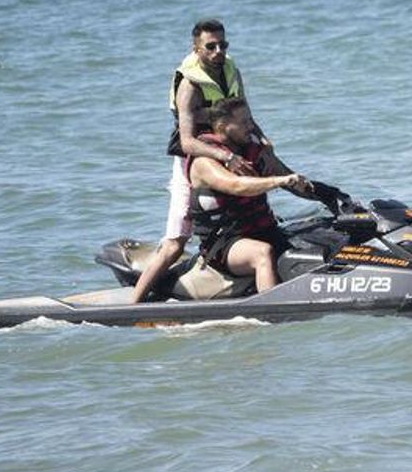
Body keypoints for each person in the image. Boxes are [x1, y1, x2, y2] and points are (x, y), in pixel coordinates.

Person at [130, 19, 263, 303]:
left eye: (223, 45)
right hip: (194, 161)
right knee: (176, 243)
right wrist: (227, 156)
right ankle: (134, 304)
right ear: (196, 48)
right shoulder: (189, 84)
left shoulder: (231, 69)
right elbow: (188, 141)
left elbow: (246, 115)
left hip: (228, 152)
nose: (218, 51)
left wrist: (263, 142)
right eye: (210, 46)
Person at [187, 98, 312, 294]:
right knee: (262, 254)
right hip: (226, 243)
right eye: (244, 122)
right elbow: (236, 185)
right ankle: (271, 310)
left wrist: (330, 196)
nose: (251, 127)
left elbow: (293, 181)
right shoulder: (204, 163)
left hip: (263, 230)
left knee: (314, 242)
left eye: (251, 120)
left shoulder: (252, 152)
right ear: (223, 125)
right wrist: (278, 181)